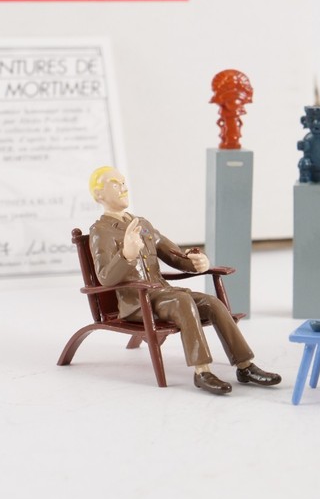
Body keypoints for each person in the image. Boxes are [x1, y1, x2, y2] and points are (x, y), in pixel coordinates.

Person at [87, 166, 281, 395]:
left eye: (123, 182)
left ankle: (245, 366)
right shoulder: (101, 231)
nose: (123, 187)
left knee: (212, 303)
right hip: (137, 303)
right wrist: (126, 255)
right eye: (114, 183)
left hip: (162, 294)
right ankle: (202, 372)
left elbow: (173, 254)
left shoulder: (142, 224)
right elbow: (105, 278)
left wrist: (196, 262)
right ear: (99, 195)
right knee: (182, 301)